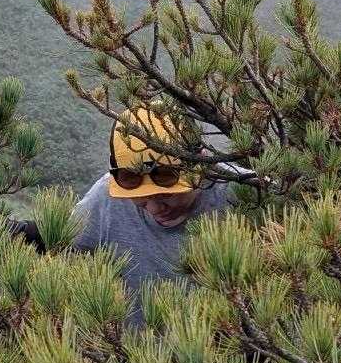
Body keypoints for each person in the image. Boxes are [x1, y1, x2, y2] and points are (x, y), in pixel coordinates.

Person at [71, 106, 233, 293]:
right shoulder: (107, 198)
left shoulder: (240, 195)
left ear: (201, 164)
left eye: (166, 194)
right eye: (140, 199)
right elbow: (61, 249)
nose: (155, 208)